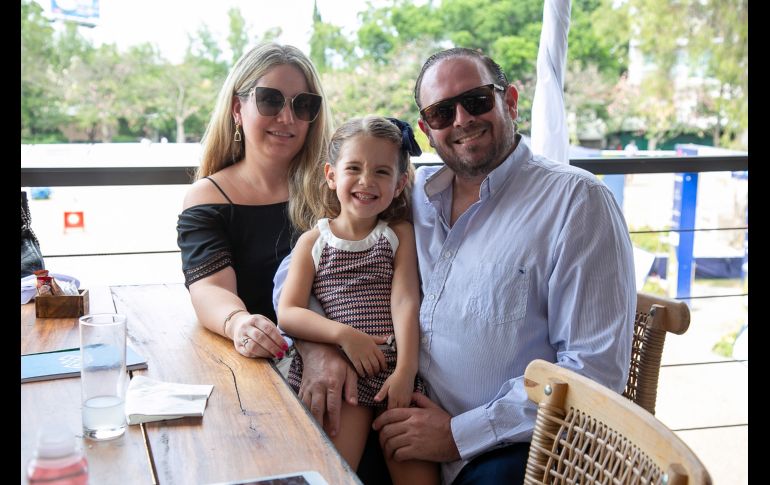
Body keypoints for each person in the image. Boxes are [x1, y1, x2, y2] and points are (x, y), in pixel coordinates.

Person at [275, 47, 636, 485]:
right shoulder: (411, 195)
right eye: (443, 112)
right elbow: (297, 274)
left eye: (478, 100)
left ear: (511, 101)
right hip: (392, 407)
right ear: (427, 130)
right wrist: (324, 347)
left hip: (508, 447)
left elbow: (594, 372)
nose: (462, 119)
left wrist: (457, 435)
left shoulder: (575, 203)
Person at [277, 116, 438, 484]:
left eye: (381, 172)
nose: (367, 181)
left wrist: (406, 372)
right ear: (332, 175)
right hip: (346, 376)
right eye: (354, 168)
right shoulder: (313, 242)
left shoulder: (398, 235)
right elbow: (289, 312)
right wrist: (344, 336)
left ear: (399, 185)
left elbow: (406, 302)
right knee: (333, 474)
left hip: (394, 375)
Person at [176, 43, 333, 360]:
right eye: (270, 100)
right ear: (237, 109)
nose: (287, 117)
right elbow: (210, 289)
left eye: (303, 105)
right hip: (254, 365)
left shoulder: (334, 189)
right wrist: (239, 324)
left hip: (338, 360)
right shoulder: (208, 198)